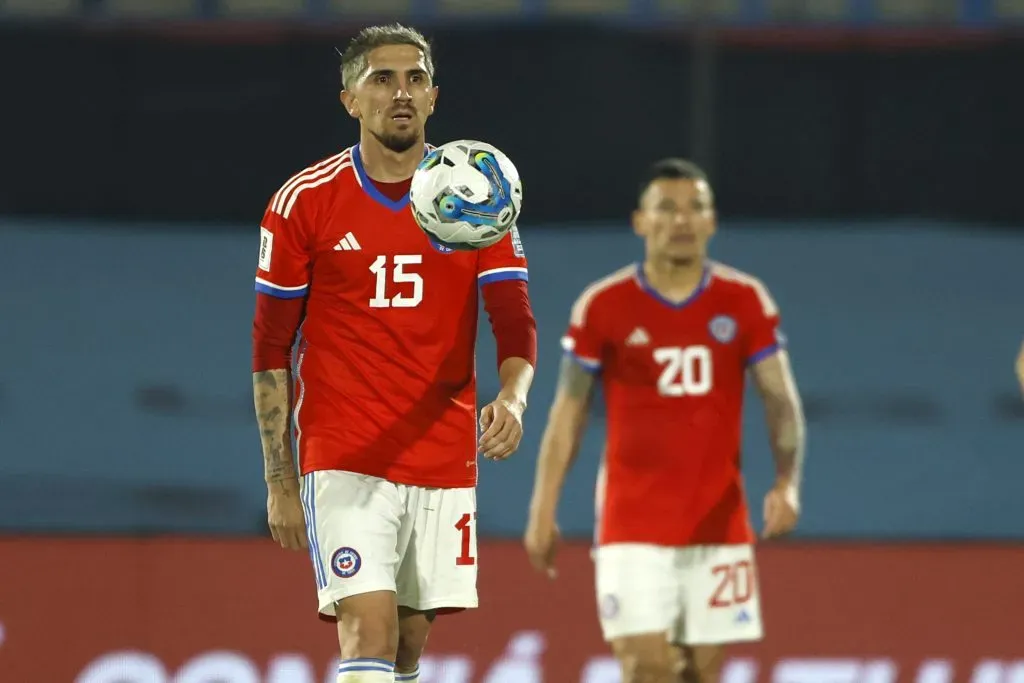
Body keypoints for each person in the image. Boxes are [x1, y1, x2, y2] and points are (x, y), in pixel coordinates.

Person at [250, 24, 537, 683]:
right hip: (344, 451)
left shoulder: (481, 196)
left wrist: (514, 398)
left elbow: (514, 321)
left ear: (434, 97)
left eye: (414, 79)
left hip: (442, 452)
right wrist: (279, 479)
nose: (399, 92)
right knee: (367, 629)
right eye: (382, 78)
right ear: (350, 98)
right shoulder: (306, 203)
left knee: (408, 643)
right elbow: (271, 345)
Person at [523, 158, 807, 683]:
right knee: (648, 668)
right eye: (667, 208)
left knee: (701, 675)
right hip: (631, 526)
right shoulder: (603, 306)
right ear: (640, 221)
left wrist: (787, 482)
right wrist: (543, 508)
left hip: (719, 526)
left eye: (695, 208)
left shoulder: (743, 301)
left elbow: (780, 400)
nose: (682, 220)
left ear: (712, 222)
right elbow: (568, 414)